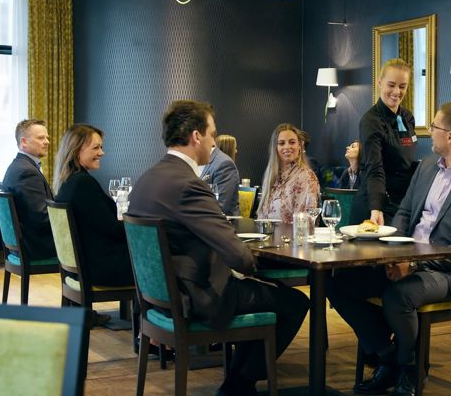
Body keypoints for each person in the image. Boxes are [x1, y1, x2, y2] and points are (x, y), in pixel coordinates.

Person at [127, 100, 309, 396]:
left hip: (159, 298)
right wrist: (252, 266)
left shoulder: (148, 179)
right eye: (212, 134)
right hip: (196, 297)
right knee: (294, 302)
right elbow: (239, 257)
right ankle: (238, 386)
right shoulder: (188, 184)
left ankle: (236, 383)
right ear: (196, 137)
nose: (214, 142)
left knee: (267, 294)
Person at [327, 102, 451, 396]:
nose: (428, 134)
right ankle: (389, 358)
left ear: (450, 137)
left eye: (434, 127)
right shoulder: (425, 168)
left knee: (399, 296)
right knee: (339, 282)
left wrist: (415, 265)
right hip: (407, 257)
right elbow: (405, 214)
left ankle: (411, 367)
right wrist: (390, 255)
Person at [52, 124, 134, 287]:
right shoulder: (83, 183)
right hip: (102, 269)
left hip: (84, 265)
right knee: (158, 263)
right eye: (96, 148)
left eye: (101, 147)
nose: (102, 153)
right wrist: (137, 225)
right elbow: (112, 230)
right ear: (76, 151)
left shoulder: (67, 182)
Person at [350, 58, 418, 226]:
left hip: (401, 205)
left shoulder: (408, 117)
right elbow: (375, 167)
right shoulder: (371, 121)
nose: (397, 91)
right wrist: (376, 208)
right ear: (379, 82)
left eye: (402, 86)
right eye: (391, 85)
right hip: (375, 204)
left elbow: (406, 161)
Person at [1, 119, 57, 260]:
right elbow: (41, 217)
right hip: (36, 247)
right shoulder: (27, 172)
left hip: (23, 245)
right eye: (40, 138)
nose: (47, 142)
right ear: (24, 142)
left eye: (47, 138)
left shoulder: (19, 166)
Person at [256, 124, 320, 224]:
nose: (287, 147)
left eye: (292, 142)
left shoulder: (306, 176)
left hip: (292, 238)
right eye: (281, 143)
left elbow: (305, 222)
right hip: (267, 236)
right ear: (275, 148)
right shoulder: (271, 175)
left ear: (299, 145)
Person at [200, 134, 241, 216]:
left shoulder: (225, 164)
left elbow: (221, 206)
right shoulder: (199, 161)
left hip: (224, 224)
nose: (236, 151)